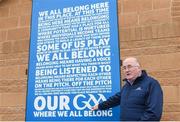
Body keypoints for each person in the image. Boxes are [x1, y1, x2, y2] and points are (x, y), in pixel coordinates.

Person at [92, 57, 163, 121]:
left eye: (129, 67)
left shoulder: (151, 84)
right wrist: (100, 106)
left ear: (138, 68)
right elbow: (115, 99)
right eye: (124, 68)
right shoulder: (127, 86)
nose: (127, 70)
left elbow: (154, 114)